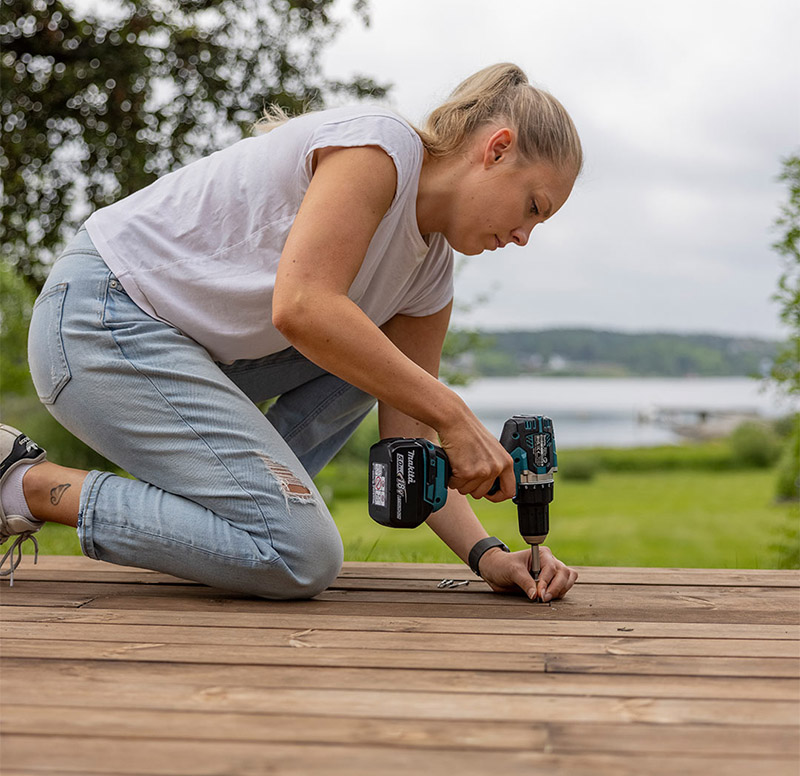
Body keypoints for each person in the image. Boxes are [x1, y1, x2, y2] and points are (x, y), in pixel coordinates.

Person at [0, 63, 581, 601]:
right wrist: (456, 414)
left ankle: (246, 506)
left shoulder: (428, 279)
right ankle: (22, 484)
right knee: (301, 555)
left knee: (387, 373)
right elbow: (302, 307)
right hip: (100, 320)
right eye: (533, 206)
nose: (525, 236)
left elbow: (412, 439)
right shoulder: (379, 147)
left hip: (193, 355)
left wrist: (488, 556)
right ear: (497, 149)